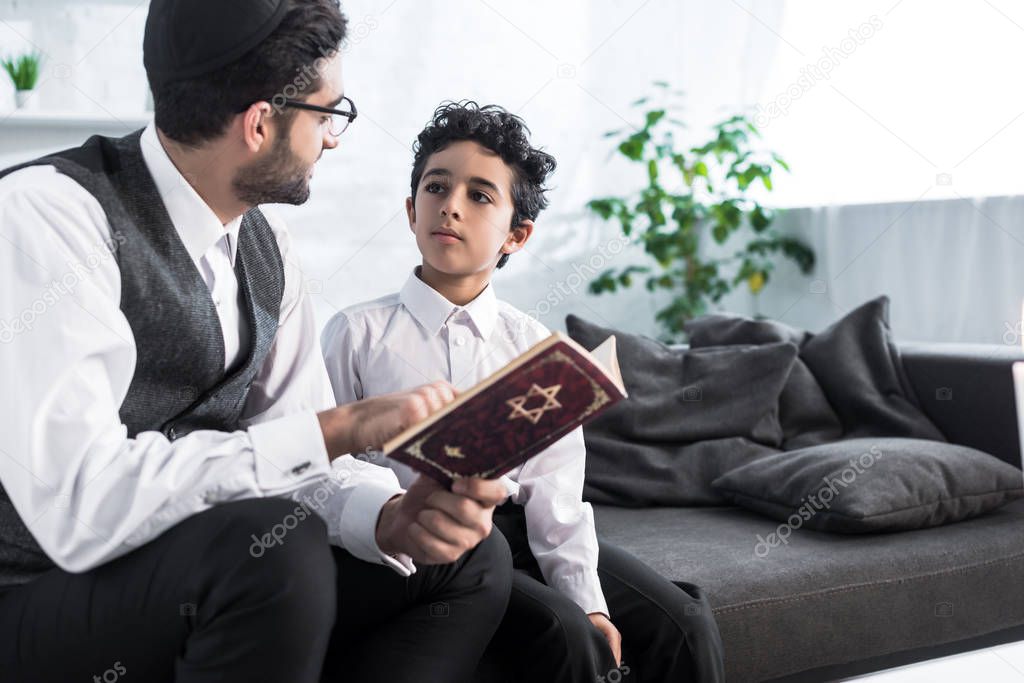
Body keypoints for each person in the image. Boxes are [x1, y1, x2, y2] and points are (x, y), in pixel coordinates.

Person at [0, 2, 513, 682]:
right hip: (37, 593)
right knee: (272, 548)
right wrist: (343, 425)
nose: (332, 139)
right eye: (329, 114)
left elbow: (295, 451)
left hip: (204, 568)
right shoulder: (49, 215)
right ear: (260, 122)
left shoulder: (267, 247)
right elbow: (80, 507)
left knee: (466, 556)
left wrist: (387, 517)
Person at [321, 101, 726, 682]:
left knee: (685, 622)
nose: (451, 205)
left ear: (517, 234)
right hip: (433, 543)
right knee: (565, 633)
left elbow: (557, 498)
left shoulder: (534, 346)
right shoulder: (356, 333)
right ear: (412, 211)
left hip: (521, 532)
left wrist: (589, 597)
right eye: (436, 187)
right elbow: (332, 466)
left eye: (480, 195)